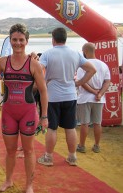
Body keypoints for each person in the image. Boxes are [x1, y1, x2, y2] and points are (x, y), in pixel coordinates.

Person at [0, 24, 48, 193]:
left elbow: (44, 92)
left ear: (27, 41)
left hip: (28, 112)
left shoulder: (34, 64)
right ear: (10, 40)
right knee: (10, 151)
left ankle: (29, 185)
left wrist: (44, 116)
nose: (17, 43)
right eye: (14, 40)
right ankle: (8, 180)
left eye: (21, 40)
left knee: (29, 150)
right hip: (9, 113)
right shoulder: (3, 62)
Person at [37, 27, 96, 167]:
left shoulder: (47, 54)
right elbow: (92, 70)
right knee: (70, 128)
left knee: (52, 128)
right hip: (70, 95)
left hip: (53, 97)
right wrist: (78, 83)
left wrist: (45, 81)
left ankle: (48, 157)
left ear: (53, 39)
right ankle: (72, 157)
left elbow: (38, 70)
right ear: (65, 38)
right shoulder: (75, 53)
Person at [76, 42, 111, 153]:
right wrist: (100, 93)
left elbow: (82, 82)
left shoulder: (83, 65)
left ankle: (82, 145)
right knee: (97, 123)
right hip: (99, 99)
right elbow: (107, 81)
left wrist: (93, 91)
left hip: (85, 98)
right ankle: (96, 145)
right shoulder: (103, 65)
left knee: (84, 123)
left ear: (85, 51)